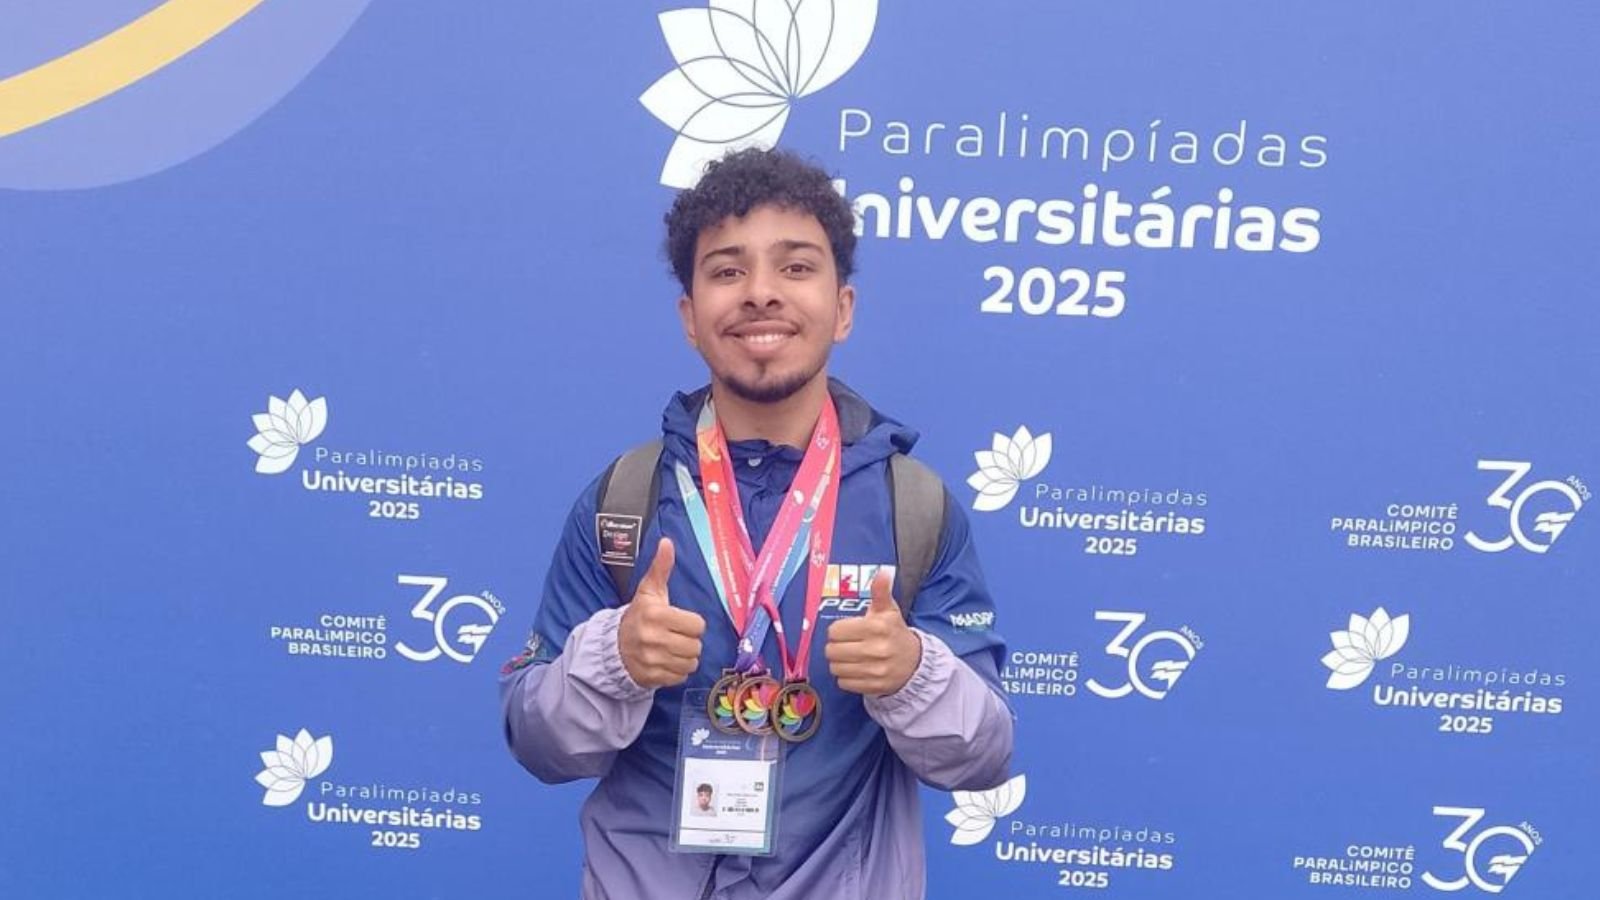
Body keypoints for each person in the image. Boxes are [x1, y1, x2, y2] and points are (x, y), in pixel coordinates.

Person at [499, 147, 1013, 900]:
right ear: (690, 317)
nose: (761, 293)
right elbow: (536, 743)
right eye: (727, 271)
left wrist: (913, 674)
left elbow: (985, 756)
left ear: (843, 307)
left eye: (796, 267)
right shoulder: (623, 501)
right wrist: (613, 662)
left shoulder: (914, 508)